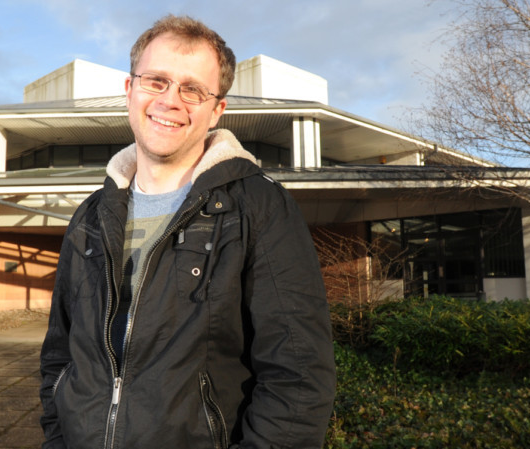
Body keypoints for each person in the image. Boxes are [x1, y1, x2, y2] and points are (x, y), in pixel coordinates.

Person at [39, 14, 336, 449]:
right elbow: (59, 358)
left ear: (217, 110)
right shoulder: (90, 216)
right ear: (130, 90)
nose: (171, 100)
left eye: (193, 89)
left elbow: (299, 376)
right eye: (156, 81)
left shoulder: (258, 206)